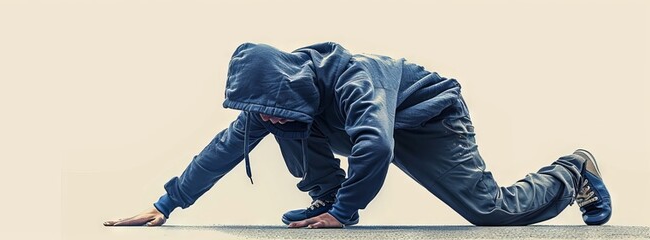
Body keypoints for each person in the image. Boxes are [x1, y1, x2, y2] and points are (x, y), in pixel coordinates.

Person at [102, 42, 612, 228]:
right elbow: (222, 150)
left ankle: (572, 171)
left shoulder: (352, 77)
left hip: (427, 120)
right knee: (284, 127)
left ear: (290, 83)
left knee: (491, 212)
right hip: (361, 128)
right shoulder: (274, 104)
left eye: (273, 109)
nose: (269, 119)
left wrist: (345, 215)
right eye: (264, 112)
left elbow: (378, 144)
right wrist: (166, 204)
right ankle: (325, 196)